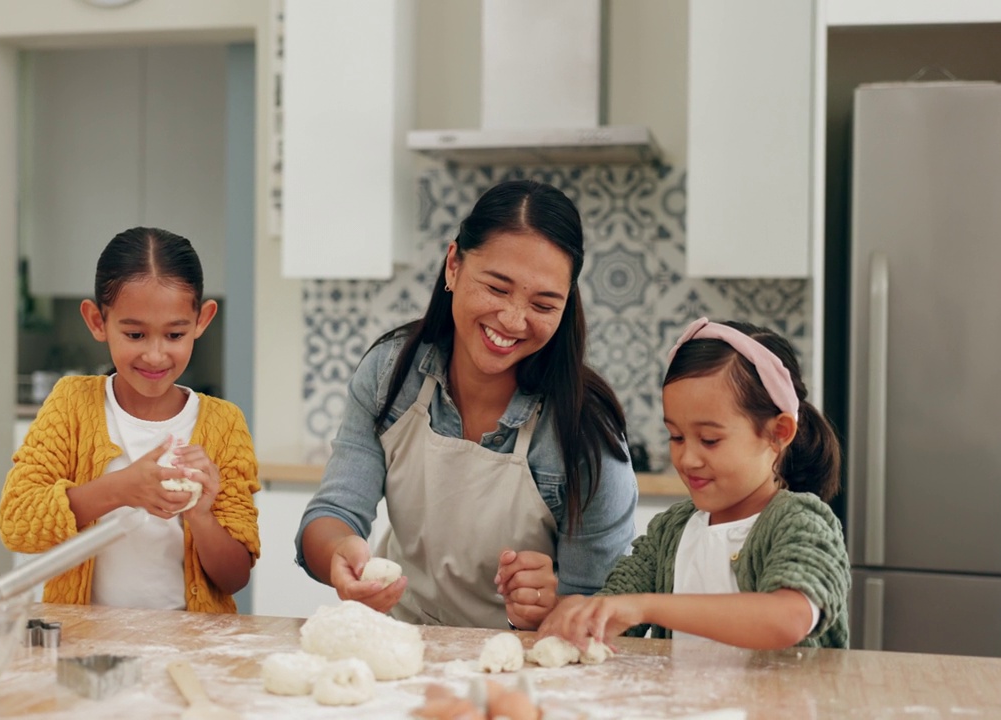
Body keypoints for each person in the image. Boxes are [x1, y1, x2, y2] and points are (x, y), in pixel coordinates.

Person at [296, 179, 639, 630]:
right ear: (453, 265)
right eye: (497, 288)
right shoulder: (390, 374)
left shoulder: (584, 435)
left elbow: (610, 618)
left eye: (543, 303)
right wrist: (341, 553)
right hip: (402, 640)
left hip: (522, 667)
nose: (514, 320)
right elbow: (333, 515)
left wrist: (553, 606)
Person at [539, 317, 851, 649]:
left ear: (778, 433)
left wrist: (645, 606)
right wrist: (567, 612)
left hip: (783, 703)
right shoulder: (670, 532)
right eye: (676, 436)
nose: (687, 459)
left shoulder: (800, 522)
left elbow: (788, 619)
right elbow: (612, 614)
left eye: (710, 439)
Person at [0, 227, 259, 612]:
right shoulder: (72, 405)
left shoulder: (224, 424)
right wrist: (122, 488)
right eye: (135, 334)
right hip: (87, 644)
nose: (155, 355)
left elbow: (235, 577)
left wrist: (202, 515)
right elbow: (17, 523)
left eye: (174, 334)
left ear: (202, 321)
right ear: (97, 321)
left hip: (190, 650)